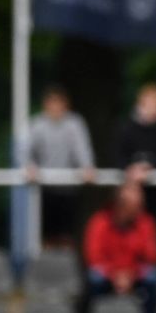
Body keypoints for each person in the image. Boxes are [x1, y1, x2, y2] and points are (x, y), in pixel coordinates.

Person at [26, 85, 97, 247]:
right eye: (52, 103)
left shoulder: (75, 123)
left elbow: (82, 149)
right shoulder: (37, 124)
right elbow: (27, 151)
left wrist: (87, 167)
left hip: (68, 188)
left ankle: (65, 267)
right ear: (46, 104)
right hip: (45, 189)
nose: (56, 107)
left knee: (66, 235)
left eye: (59, 103)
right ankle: (46, 268)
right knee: (46, 235)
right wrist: (30, 167)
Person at [84, 181, 156, 313]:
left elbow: (152, 257)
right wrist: (114, 274)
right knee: (94, 276)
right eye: (135, 206)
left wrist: (130, 274)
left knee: (154, 276)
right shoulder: (99, 222)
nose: (139, 210)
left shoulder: (146, 222)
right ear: (120, 205)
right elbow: (93, 257)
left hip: (134, 274)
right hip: (108, 275)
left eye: (140, 205)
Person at [114, 83, 156, 181]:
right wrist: (130, 168)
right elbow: (117, 155)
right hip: (129, 186)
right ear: (142, 102)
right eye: (155, 104)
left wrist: (150, 167)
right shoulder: (125, 127)